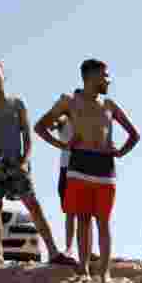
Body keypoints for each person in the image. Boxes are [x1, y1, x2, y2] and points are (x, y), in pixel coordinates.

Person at [34, 59, 140, 283]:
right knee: (82, 220)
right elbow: (40, 126)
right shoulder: (69, 101)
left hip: (105, 169)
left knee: (103, 221)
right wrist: (63, 145)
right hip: (79, 167)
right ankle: (83, 271)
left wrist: (120, 151)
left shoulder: (110, 105)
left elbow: (135, 134)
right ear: (91, 77)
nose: (108, 80)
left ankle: (105, 274)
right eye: (105, 75)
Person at [0, 58, 76, 268]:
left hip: (15, 161)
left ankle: (53, 252)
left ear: (3, 75)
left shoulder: (17, 104)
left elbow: (27, 135)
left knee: (33, 204)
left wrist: (25, 159)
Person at [50, 88, 97, 262]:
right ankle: (69, 249)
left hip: (85, 167)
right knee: (70, 211)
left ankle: (87, 250)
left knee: (86, 211)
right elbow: (51, 124)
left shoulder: (88, 118)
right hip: (66, 167)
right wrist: (58, 109)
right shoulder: (64, 118)